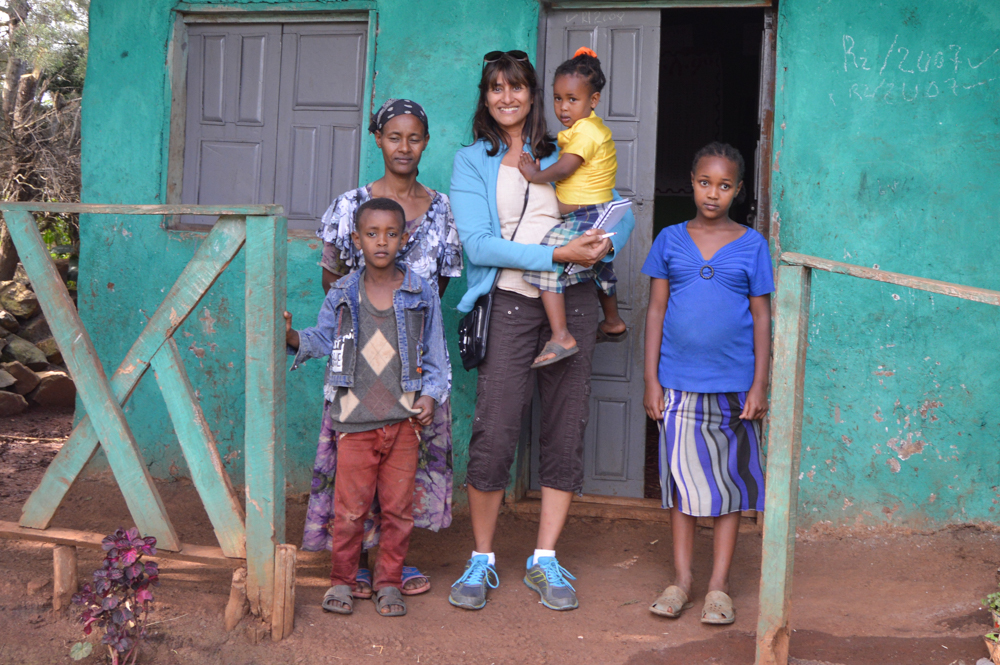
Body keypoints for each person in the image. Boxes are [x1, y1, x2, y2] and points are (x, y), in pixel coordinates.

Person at [448, 49, 635, 612]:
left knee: (563, 427)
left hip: (574, 302)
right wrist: (555, 253)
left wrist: (600, 247)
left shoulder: (565, 146)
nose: (506, 97)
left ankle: (544, 558)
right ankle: (481, 559)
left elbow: (609, 216)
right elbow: (478, 244)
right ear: (485, 98)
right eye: (495, 88)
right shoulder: (471, 161)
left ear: (532, 94)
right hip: (506, 301)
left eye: (516, 87)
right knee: (495, 428)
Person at [302, 98, 462, 600]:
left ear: (426, 142)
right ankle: (356, 570)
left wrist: (412, 342)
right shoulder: (350, 205)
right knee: (355, 474)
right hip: (361, 367)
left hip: (414, 365)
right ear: (378, 139)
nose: (404, 147)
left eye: (414, 138)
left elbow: (441, 288)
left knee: (401, 477)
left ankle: (394, 566)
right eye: (395, 137)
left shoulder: (439, 210)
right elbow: (334, 279)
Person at [286, 197, 450, 617]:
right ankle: (342, 581)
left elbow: (433, 356)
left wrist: (429, 396)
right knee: (350, 511)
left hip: (403, 424)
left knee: (398, 510)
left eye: (391, 234)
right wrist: (291, 338)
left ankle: (389, 583)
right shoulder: (342, 292)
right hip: (354, 422)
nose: (382, 242)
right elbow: (323, 339)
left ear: (404, 238)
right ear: (356, 239)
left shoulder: (420, 291)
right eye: (372, 234)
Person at [641, 142, 773, 625]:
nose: (712, 193)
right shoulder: (670, 240)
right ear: (691, 182)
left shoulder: (752, 245)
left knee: (729, 487)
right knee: (681, 487)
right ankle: (682, 580)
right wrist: (651, 379)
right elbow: (655, 311)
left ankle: (718, 586)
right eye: (704, 182)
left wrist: (759, 384)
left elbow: (762, 317)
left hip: (734, 387)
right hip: (677, 384)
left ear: (737, 190)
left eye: (723, 185)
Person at [517, 47, 627, 368]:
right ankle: (613, 321)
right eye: (557, 98)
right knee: (599, 266)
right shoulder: (585, 129)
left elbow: (565, 168)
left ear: (592, 101)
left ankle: (561, 335)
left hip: (586, 213)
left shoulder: (586, 131)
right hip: (599, 210)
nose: (563, 107)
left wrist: (534, 175)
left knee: (543, 260)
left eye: (572, 99)